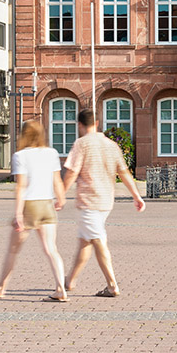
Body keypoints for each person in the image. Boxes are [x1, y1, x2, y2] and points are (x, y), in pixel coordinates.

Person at [62, 109, 146, 297]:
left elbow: (72, 172)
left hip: (88, 201)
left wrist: (60, 195)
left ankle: (112, 285)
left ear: (80, 125)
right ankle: (69, 281)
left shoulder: (81, 144)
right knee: (85, 241)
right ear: (97, 123)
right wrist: (136, 195)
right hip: (105, 201)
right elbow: (124, 172)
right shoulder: (111, 145)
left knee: (98, 241)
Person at [0, 121, 68, 301]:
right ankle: (61, 289)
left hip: (30, 205)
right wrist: (61, 198)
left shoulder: (20, 156)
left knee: (13, 250)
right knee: (51, 249)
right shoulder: (51, 153)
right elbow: (57, 181)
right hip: (47, 203)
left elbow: (21, 187)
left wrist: (18, 214)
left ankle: (0, 287)